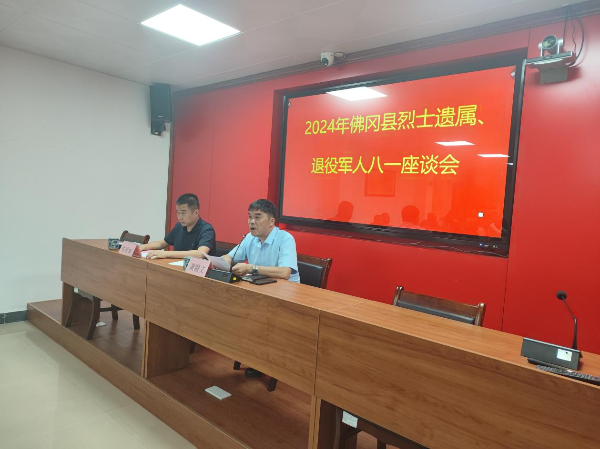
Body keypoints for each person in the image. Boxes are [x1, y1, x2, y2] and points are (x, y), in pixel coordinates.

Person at [222, 199, 299, 282]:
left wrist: (251, 268)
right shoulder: (250, 237)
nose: (252, 222)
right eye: (250, 217)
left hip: (284, 288)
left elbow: (284, 273)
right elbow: (229, 257)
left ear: (271, 222)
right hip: (260, 284)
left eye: (257, 217)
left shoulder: (285, 239)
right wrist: (222, 263)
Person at [140, 193, 216, 260]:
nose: (180, 217)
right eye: (178, 213)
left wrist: (165, 254)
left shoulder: (207, 230)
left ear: (196, 213)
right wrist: (143, 247)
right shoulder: (179, 226)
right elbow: (161, 243)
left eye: (183, 213)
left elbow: (201, 253)